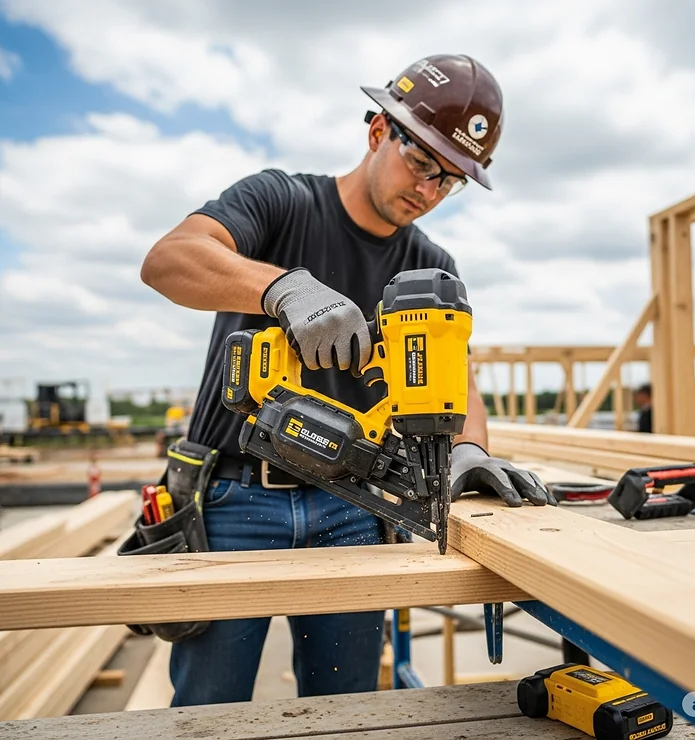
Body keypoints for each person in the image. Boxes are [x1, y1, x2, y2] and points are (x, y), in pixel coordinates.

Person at [141, 53, 556, 707]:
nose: (429, 190)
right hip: (233, 500)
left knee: (347, 709)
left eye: (450, 181)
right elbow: (168, 260)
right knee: (207, 712)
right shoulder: (281, 202)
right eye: (421, 163)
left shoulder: (430, 264)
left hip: (354, 508)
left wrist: (471, 448)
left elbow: (457, 378)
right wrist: (280, 286)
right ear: (376, 134)